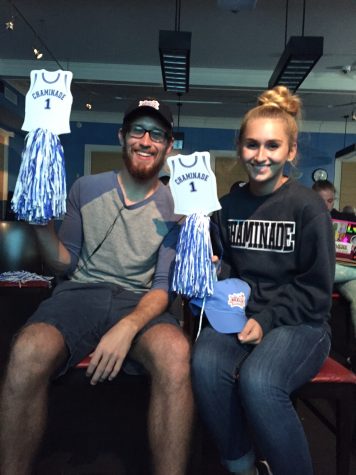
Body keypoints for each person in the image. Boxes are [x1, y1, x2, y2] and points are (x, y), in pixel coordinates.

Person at [0, 98, 194, 475]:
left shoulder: (179, 205)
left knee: (174, 354)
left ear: (169, 146)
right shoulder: (86, 188)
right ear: (122, 137)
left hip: (141, 302)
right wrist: (43, 227)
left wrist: (127, 327)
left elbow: (162, 287)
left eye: (157, 134)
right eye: (138, 130)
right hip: (79, 295)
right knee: (28, 349)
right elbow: (65, 262)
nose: (146, 140)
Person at [191, 86, 334, 475]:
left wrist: (267, 321)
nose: (261, 155)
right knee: (204, 361)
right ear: (239, 147)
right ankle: (242, 465)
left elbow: (316, 290)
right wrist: (210, 267)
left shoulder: (308, 207)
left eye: (273, 145)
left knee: (259, 380)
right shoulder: (227, 205)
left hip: (301, 323)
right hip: (240, 315)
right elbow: (230, 271)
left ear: (291, 151)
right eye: (252, 144)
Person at [312, 179, 356, 340]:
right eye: (320, 200)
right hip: (316, 270)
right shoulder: (303, 218)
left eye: (330, 201)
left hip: (343, 271)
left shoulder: (344, 219)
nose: (326, 205)